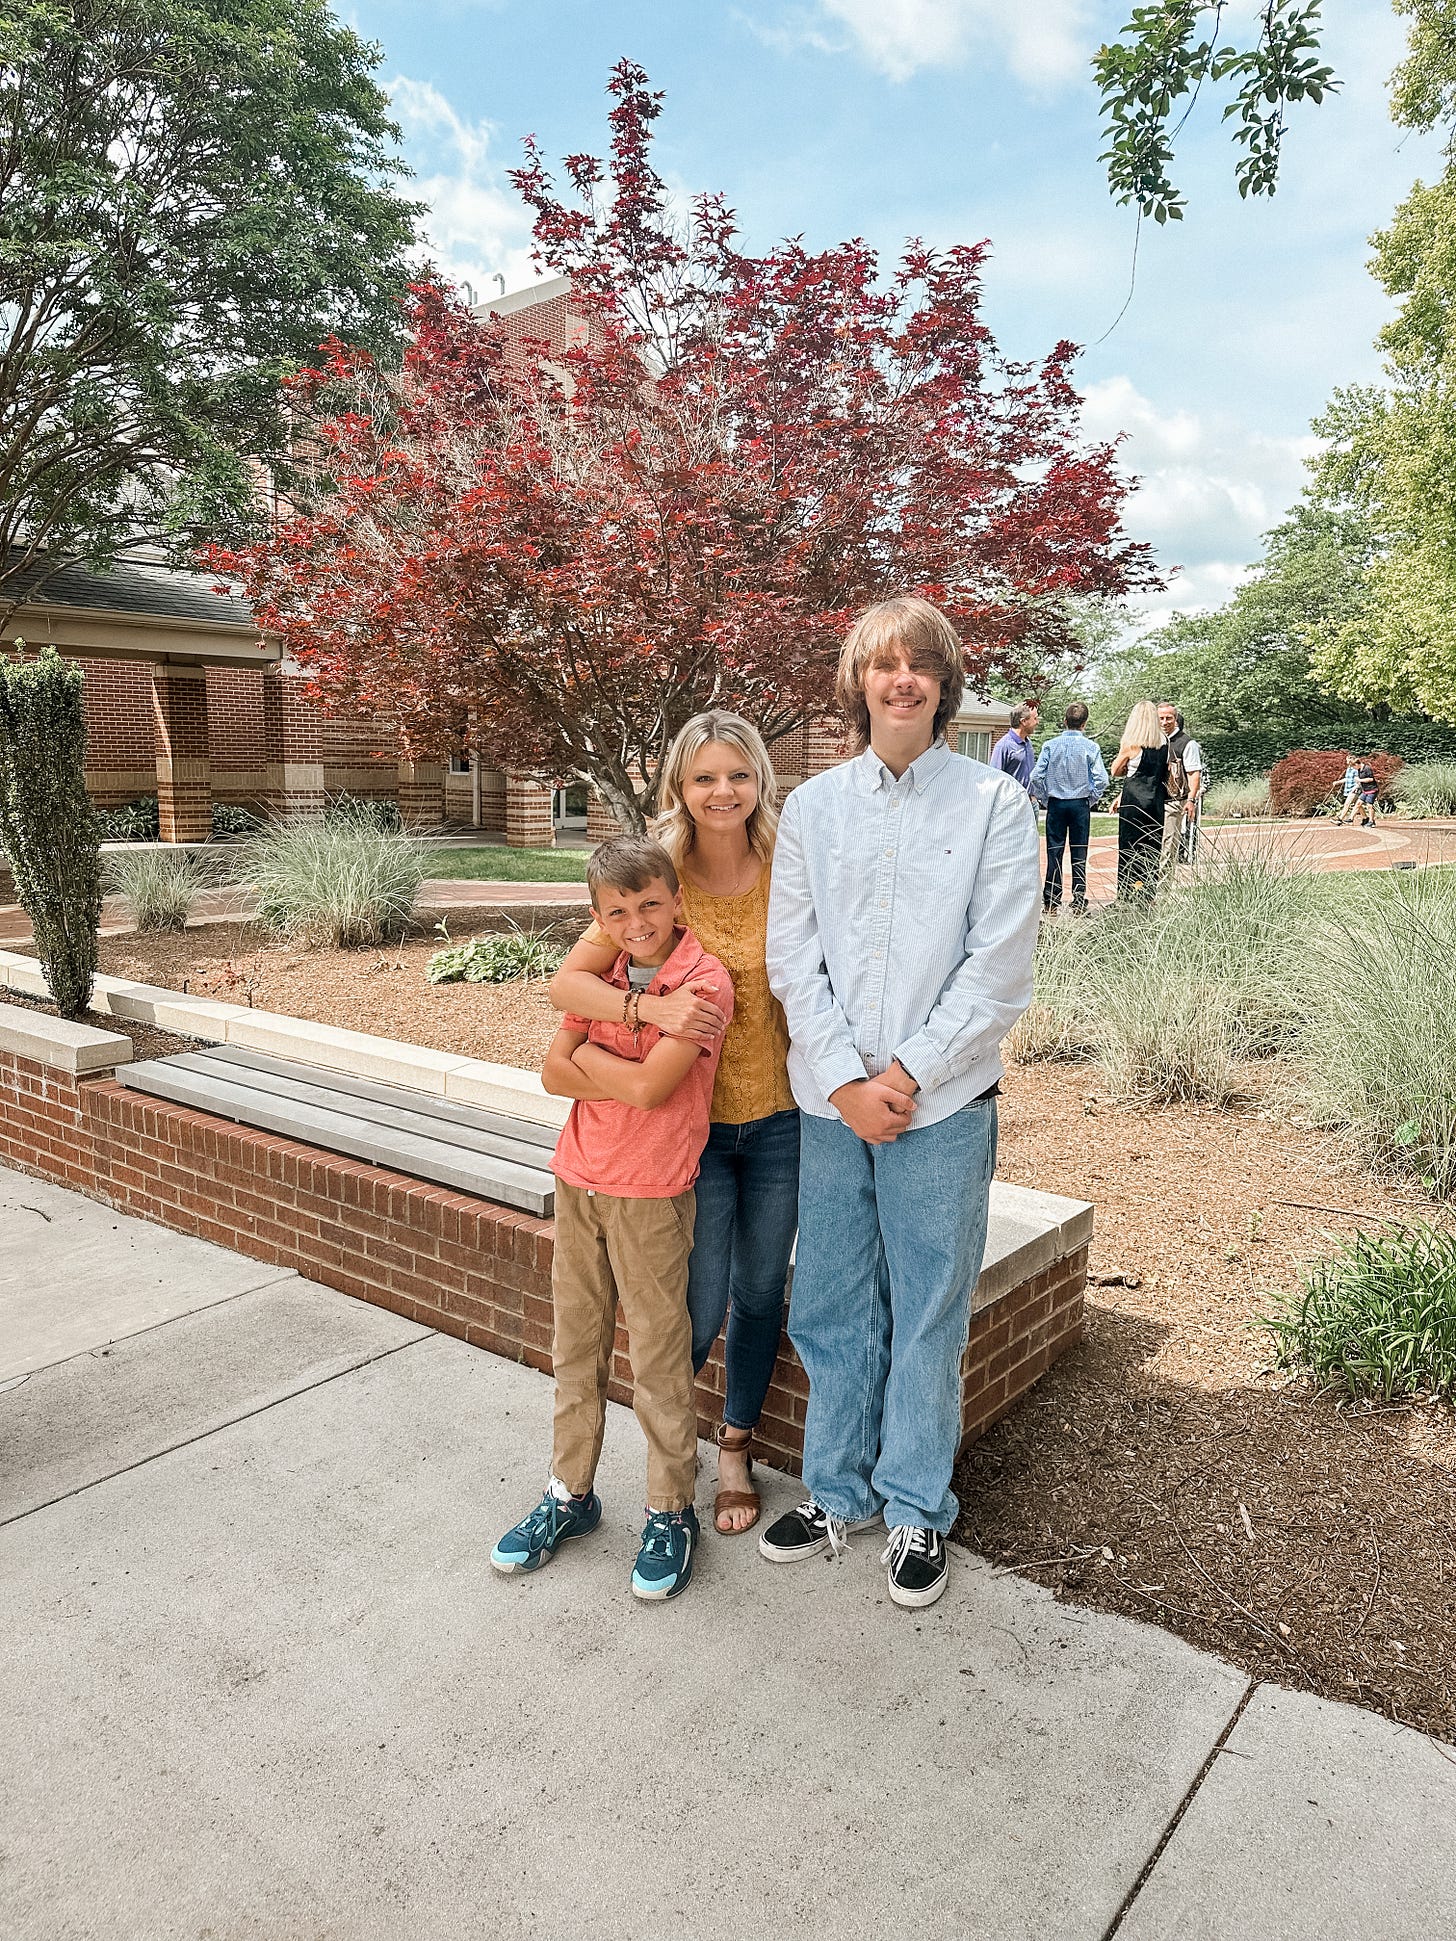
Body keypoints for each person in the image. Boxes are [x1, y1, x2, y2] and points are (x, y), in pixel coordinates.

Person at [762, 595, 1039, 1610]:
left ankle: (916, 1504)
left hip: (942, 1108)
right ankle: (838, 1492)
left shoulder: (992, 807)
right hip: (831, 1109)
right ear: (859, 683)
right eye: (884, 663)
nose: (903, 677)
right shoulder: (814, 810)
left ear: (942, 682)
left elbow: (998, 968)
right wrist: (843, 1080)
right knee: (832, 1305)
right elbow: (792, 954)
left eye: (921, 662)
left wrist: (905, 1076)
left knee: (927, 1312)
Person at [548, 712, 796, 1537]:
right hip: (687, 1135)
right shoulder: (656, 876)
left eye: (738, 774)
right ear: (678, 789)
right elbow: (569, 985)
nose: (722, 791)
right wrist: (646, 1004)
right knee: (694, 1300)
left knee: (759, 1291)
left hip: (779, 1120)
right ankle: (668, 1470)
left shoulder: (788, 866)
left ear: (759, 779)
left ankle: (733, 1448)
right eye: (703, 777)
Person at [491, 836, 734, 1601]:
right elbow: (547, 1069)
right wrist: (620, 1040)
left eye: (651, 905)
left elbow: (648, 1091)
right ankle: (571, 1493)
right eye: (618, 911)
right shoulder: (596, 972)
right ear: (598, 917)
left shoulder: (702, 984)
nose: (637, 922)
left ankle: (670, 1508)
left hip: (652, 1191)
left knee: (659, 1359)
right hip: (579, 1178)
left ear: (678, 901)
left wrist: (594, 1060)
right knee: (577, 1348)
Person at [1029, 701, 1108, 914]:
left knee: (1054, 852)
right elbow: (1102, 779)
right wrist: (1091, 799)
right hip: (1080, 803)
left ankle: (1052, 901)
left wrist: (1045, 798)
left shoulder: (1050, 745)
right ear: (1085, 723)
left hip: (1056, 803)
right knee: (1079, 851)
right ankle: (1079, 898)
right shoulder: (1091, 747)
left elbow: (1035, 776)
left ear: (1064, 722)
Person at [1110, 701, 1169, 905]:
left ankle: (1127, 894)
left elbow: (1115, 770)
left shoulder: (1131, 745)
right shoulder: (1164, 743)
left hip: (1134, 803)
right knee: (1151, 848)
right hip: (1155, 803)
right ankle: (1147, 894)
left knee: (1129, 848)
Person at [1156, 702, 1203, 873]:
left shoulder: (1186, 743)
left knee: (1168, 848)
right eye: (1161, 718)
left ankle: (1162, 894)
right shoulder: (1154, 741)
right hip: (1153, 801)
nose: (1164, 722)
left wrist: (1191, 799)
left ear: (1175, 719)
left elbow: (1193, 773)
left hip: (1173, 802)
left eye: (1168, 718)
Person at [990, 702, 1039, 791]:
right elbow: (994, 779)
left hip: (1030, 802)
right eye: (1035, 718)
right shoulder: (1003, 746)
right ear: (1023, 721)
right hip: (1013, 802)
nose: (1037, 722)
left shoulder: (1028, 743)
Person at [1333, 753, 1361, 823]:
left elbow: (1359, 781)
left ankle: (1340, 819)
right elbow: (1347, 779)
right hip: (1348, 789)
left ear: (1352, 760)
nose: (1346, 762)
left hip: (1354, 790)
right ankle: (1366, 818)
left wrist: (1355, 788)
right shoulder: (1348, 769)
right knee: (1358, 805)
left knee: (1347, 804)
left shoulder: (1356, 769)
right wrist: (1337, 782)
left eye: (1348, 760)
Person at [1354, 755, 1379, 827]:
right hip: (1365, 790)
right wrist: (1358, 784)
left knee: (1369, 805)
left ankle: (1372, 821)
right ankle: (1366, 819)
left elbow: (1371, 779)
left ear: (1356, 764)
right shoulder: (1359, 770)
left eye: (1354, 767)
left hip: (1372, 789)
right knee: (1358, 803)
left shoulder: (1367, 768)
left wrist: (1360, 780)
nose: (1354, 769)